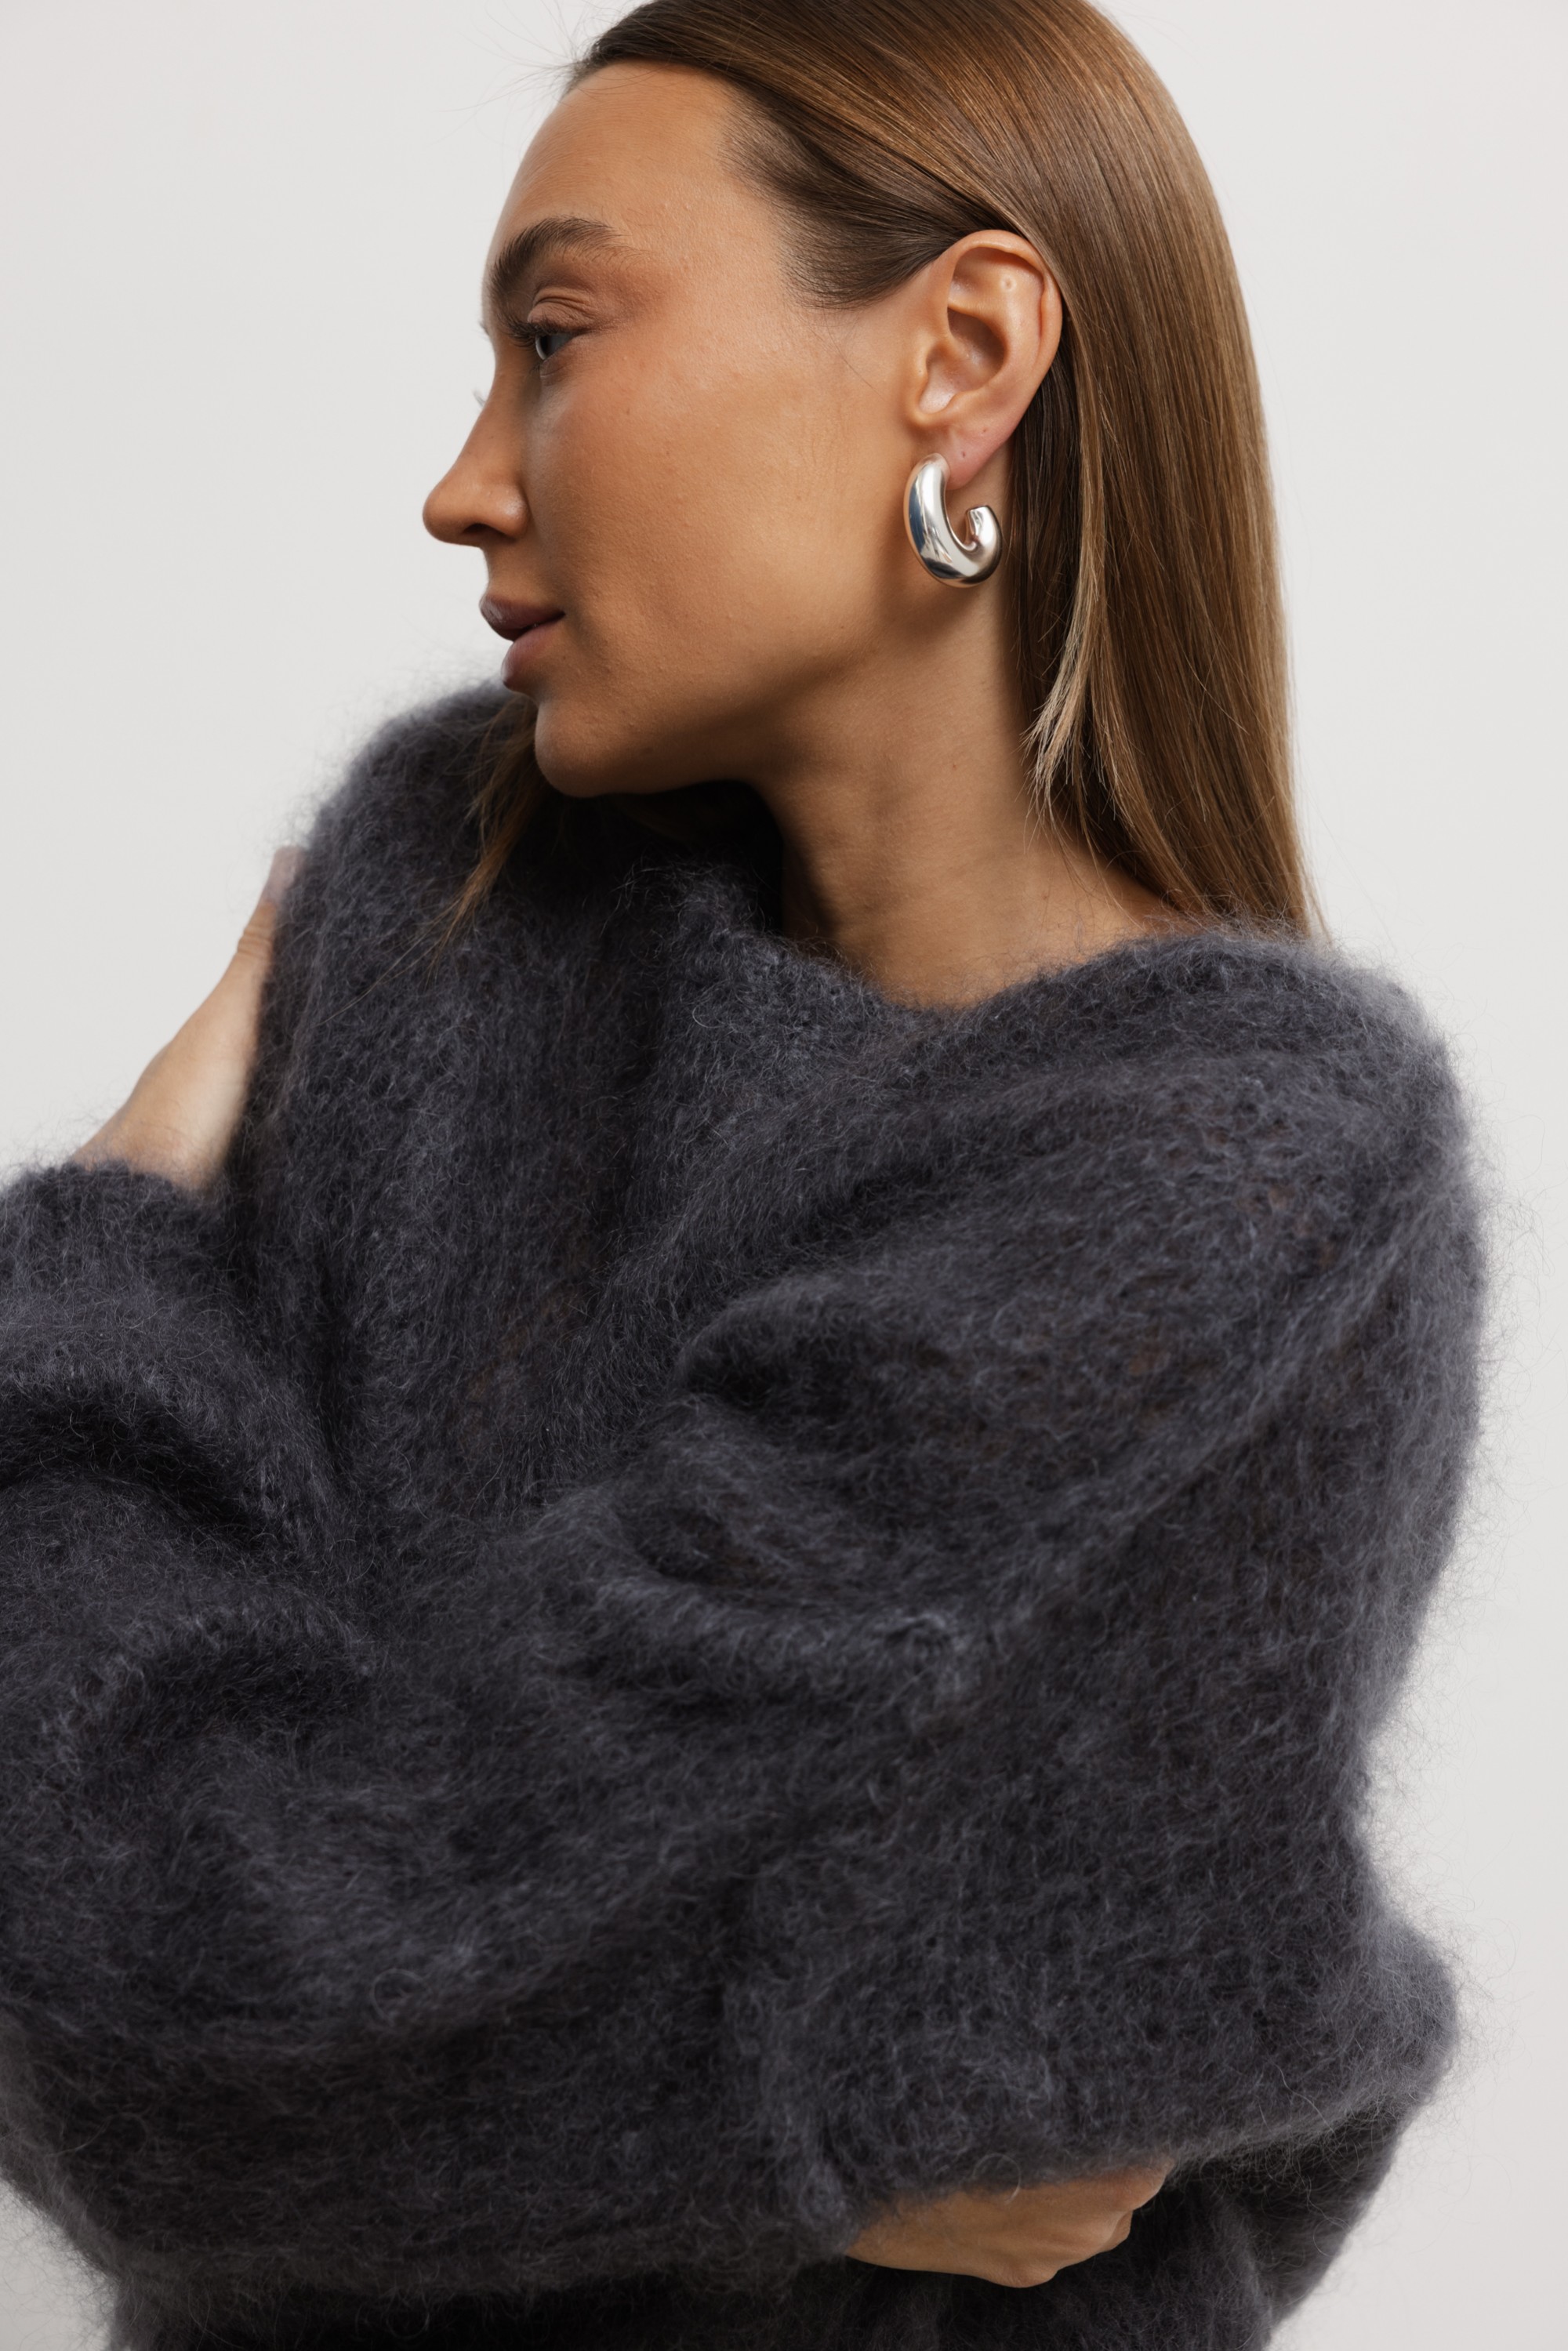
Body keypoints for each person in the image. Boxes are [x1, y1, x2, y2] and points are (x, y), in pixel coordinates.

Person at [0, 2, 1482, 2347]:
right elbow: (165, 1998)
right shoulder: (456, 897)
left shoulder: (1245, 1166)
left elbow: (193, 2013)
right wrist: (807, 2121)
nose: (463, 484)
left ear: (961, 358)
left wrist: (84, 1304)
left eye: (557, 338)